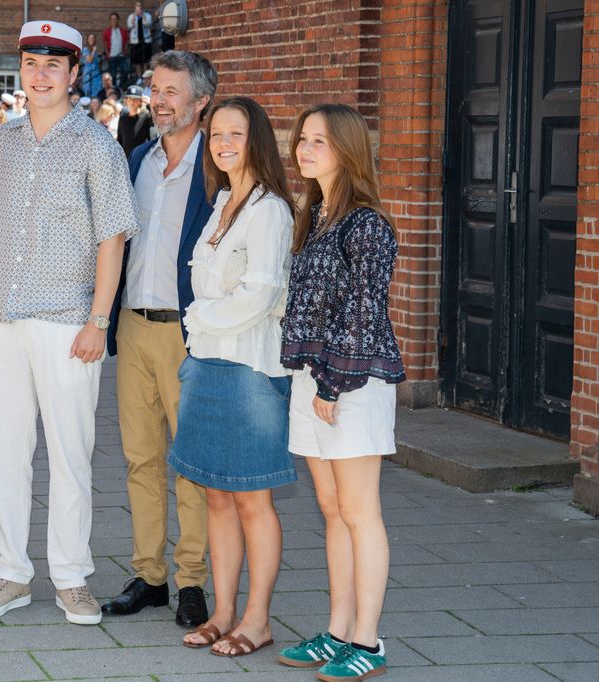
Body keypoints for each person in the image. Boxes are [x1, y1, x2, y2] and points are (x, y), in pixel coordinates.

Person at [0, 19, 139, 626]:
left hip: (68, 319)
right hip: (0, 318)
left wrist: (99, 319)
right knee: (4, 452)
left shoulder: (97, 144)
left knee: (70, 453)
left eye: (52, 65)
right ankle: (10, 574)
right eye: (31, 63)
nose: (40, 74)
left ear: (72, 74)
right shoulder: (3, 143)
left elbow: (112, 237)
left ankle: (71, 578)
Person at [277, 103, 405, 680]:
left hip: (351, 380)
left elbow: (362, 310)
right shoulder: (316, 216)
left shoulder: (367, 224)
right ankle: (338, 631)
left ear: (347, 151)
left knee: (359, 511)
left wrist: (332, 382)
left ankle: (368, 641)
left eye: (319, 142)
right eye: (303, 139)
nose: (305, 150)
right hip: (313, 380)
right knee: (331, 510)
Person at [173, 96, 297, 656]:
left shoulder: (269, 209)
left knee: (252, 500)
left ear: (258, 141)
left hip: (249, 370)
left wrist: (198, 319)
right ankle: (222, 613)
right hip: (206, 364)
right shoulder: (223, 199)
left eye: (236, 134)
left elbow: (263, 294)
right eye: (216, 134)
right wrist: (201, 332)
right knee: (217, 498)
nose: (223, 144)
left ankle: (257, 619)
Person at [101, 50, 216, 629]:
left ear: (201, 101)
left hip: (187, 333)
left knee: (189, 463)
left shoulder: (218, 167)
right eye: (156, 89)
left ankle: (192, 579)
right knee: (140, 459)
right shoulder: (137, 158)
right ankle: (149, 575)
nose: (161, 100)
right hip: (133, 326)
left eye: (173, 92)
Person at [116, 85, 151, 158]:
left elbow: (155, 120)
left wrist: (149, 104)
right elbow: (120, 140)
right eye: (130, 99)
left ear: (140, 101)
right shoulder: (123, 119)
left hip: (142, 158)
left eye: (135, 99)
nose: (132, 102)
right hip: (126, 159)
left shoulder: (146, 117)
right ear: (126, 100)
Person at [103, 12, 130, 88]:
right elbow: (105, 44)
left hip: (121, 56)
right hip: (112, 56)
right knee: (113, 75)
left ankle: (121, 86)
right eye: (112, 19)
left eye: (115, 19)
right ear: (110, 20)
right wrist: (108, 54)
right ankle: (114, 90)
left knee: (126, 70)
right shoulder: (107, 31)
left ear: (118, 20)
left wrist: (125, 50)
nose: (114, 20)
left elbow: (127, 41)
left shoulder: (123, 31)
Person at [127, 2, 153, 79]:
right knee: (137, 61)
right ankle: (139, 77)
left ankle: (145, 77)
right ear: (135, 7)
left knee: (145, 60)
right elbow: (130, 26)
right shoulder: (131, 16)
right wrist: (135, 16)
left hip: (146, 40)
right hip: (135, 42)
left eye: (140, 6)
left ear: (142, 7)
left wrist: (143, 16)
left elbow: (148, 24)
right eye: (137, 6)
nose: (139, 7)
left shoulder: (147, 15)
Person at [80, 33, 103, 103]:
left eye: (93, 38)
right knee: (88, 88)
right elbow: (89, 60)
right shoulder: (85, 49)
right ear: (87, 40)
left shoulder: (94, 49)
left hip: (96, 71)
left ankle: (95, 101)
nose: (91, 40)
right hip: (88, 71)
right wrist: (93, 51)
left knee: (97, 87)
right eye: (90, 38)